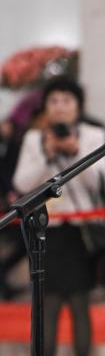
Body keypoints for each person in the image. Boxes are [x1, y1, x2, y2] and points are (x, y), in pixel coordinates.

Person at [13, 76, 105, 356]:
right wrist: (47, 152)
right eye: (54, 101)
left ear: (78, 106)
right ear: (47, 107)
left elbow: (99, 183)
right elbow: (24, 185)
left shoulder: (94, 135)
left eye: (67, 101)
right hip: (47, 232)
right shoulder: (33, 139)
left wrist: (77, 152)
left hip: (81, 234)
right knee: (47, 306)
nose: (60, 107)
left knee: (81, 305)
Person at [0, 117, 25, 299]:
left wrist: (9, 191)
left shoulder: (15, 145)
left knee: (23, 243)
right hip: (6, 200)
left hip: (11, 202)